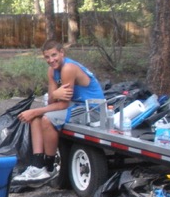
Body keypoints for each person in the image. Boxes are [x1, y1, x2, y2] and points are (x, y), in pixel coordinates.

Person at [13, 40, 105, 184]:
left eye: (54, 55)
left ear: (62, 53)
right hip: (75, 106)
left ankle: (49, 167)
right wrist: (54, 95)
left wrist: (38, 108)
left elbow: (62, 105)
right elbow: (52, 102)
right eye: (47, 57)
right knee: (36, 117)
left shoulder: (68, 68)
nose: (51, 60)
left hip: (92, 109)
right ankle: (38, 167)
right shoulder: (52, 71)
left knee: (46, 119)